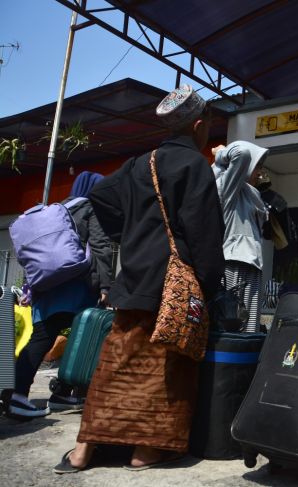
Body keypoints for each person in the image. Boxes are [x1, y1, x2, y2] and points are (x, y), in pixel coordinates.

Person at [54, 85, 226, 474]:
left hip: (133, 281)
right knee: (166, 371)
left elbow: (100, 198)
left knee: (115, 367)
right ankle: (145, 453)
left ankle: (84, 450)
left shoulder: (138, 163)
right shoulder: (194, 165)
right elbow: (204, 232)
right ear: (199, 126)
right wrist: (211, 284)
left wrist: (131, 236)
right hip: (172, 284)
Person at [10, 172, 113, 418]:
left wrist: (30, 287)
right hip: (75, 288)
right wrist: (106, 287)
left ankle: (56, 393)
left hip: (47, 288)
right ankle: (18, 396)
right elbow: (100, 246)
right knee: (83, 338)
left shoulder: (57, 210)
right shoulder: (90, 208)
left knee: (43, 338)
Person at [211, 140, 269, 332]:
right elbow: (242, 153)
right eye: (257, 166)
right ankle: (228, 361)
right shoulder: (230, 190)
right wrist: (221, 153)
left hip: (249, 266)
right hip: (233, 266)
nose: (260, 172)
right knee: (231, 326)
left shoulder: (251, 195)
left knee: (247, 328)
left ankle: (242, 362)